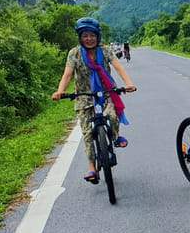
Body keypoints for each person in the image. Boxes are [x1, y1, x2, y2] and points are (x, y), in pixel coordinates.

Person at [52, 17, 137, 184]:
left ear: (97, 36)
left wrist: (128, 83)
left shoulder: (105, 51)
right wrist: (60, 91)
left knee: (112, 116)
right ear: (80, 37)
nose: (89, 39)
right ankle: (92, 169)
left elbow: (118, 67)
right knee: (88, 134)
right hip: (83, 97)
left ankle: (115, 136)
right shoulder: (74, 53)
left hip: (105, 93)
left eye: (92, 35)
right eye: (85, 35)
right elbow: (67, 74)